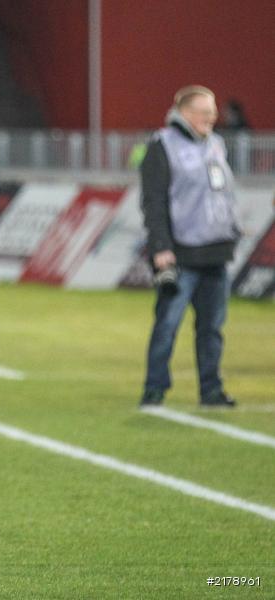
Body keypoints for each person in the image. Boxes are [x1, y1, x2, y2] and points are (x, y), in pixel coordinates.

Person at [139, 85, 240, 408]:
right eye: (204, 112)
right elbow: (153, 202)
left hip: (216, 251)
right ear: (184, 113)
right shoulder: (162, 145)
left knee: (212, 329)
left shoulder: (216, 145)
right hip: (180, 253)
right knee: (167, 325)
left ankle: (211, 390)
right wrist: (160, 248)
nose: (211, 118)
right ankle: (154, 388)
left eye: (213, 112)